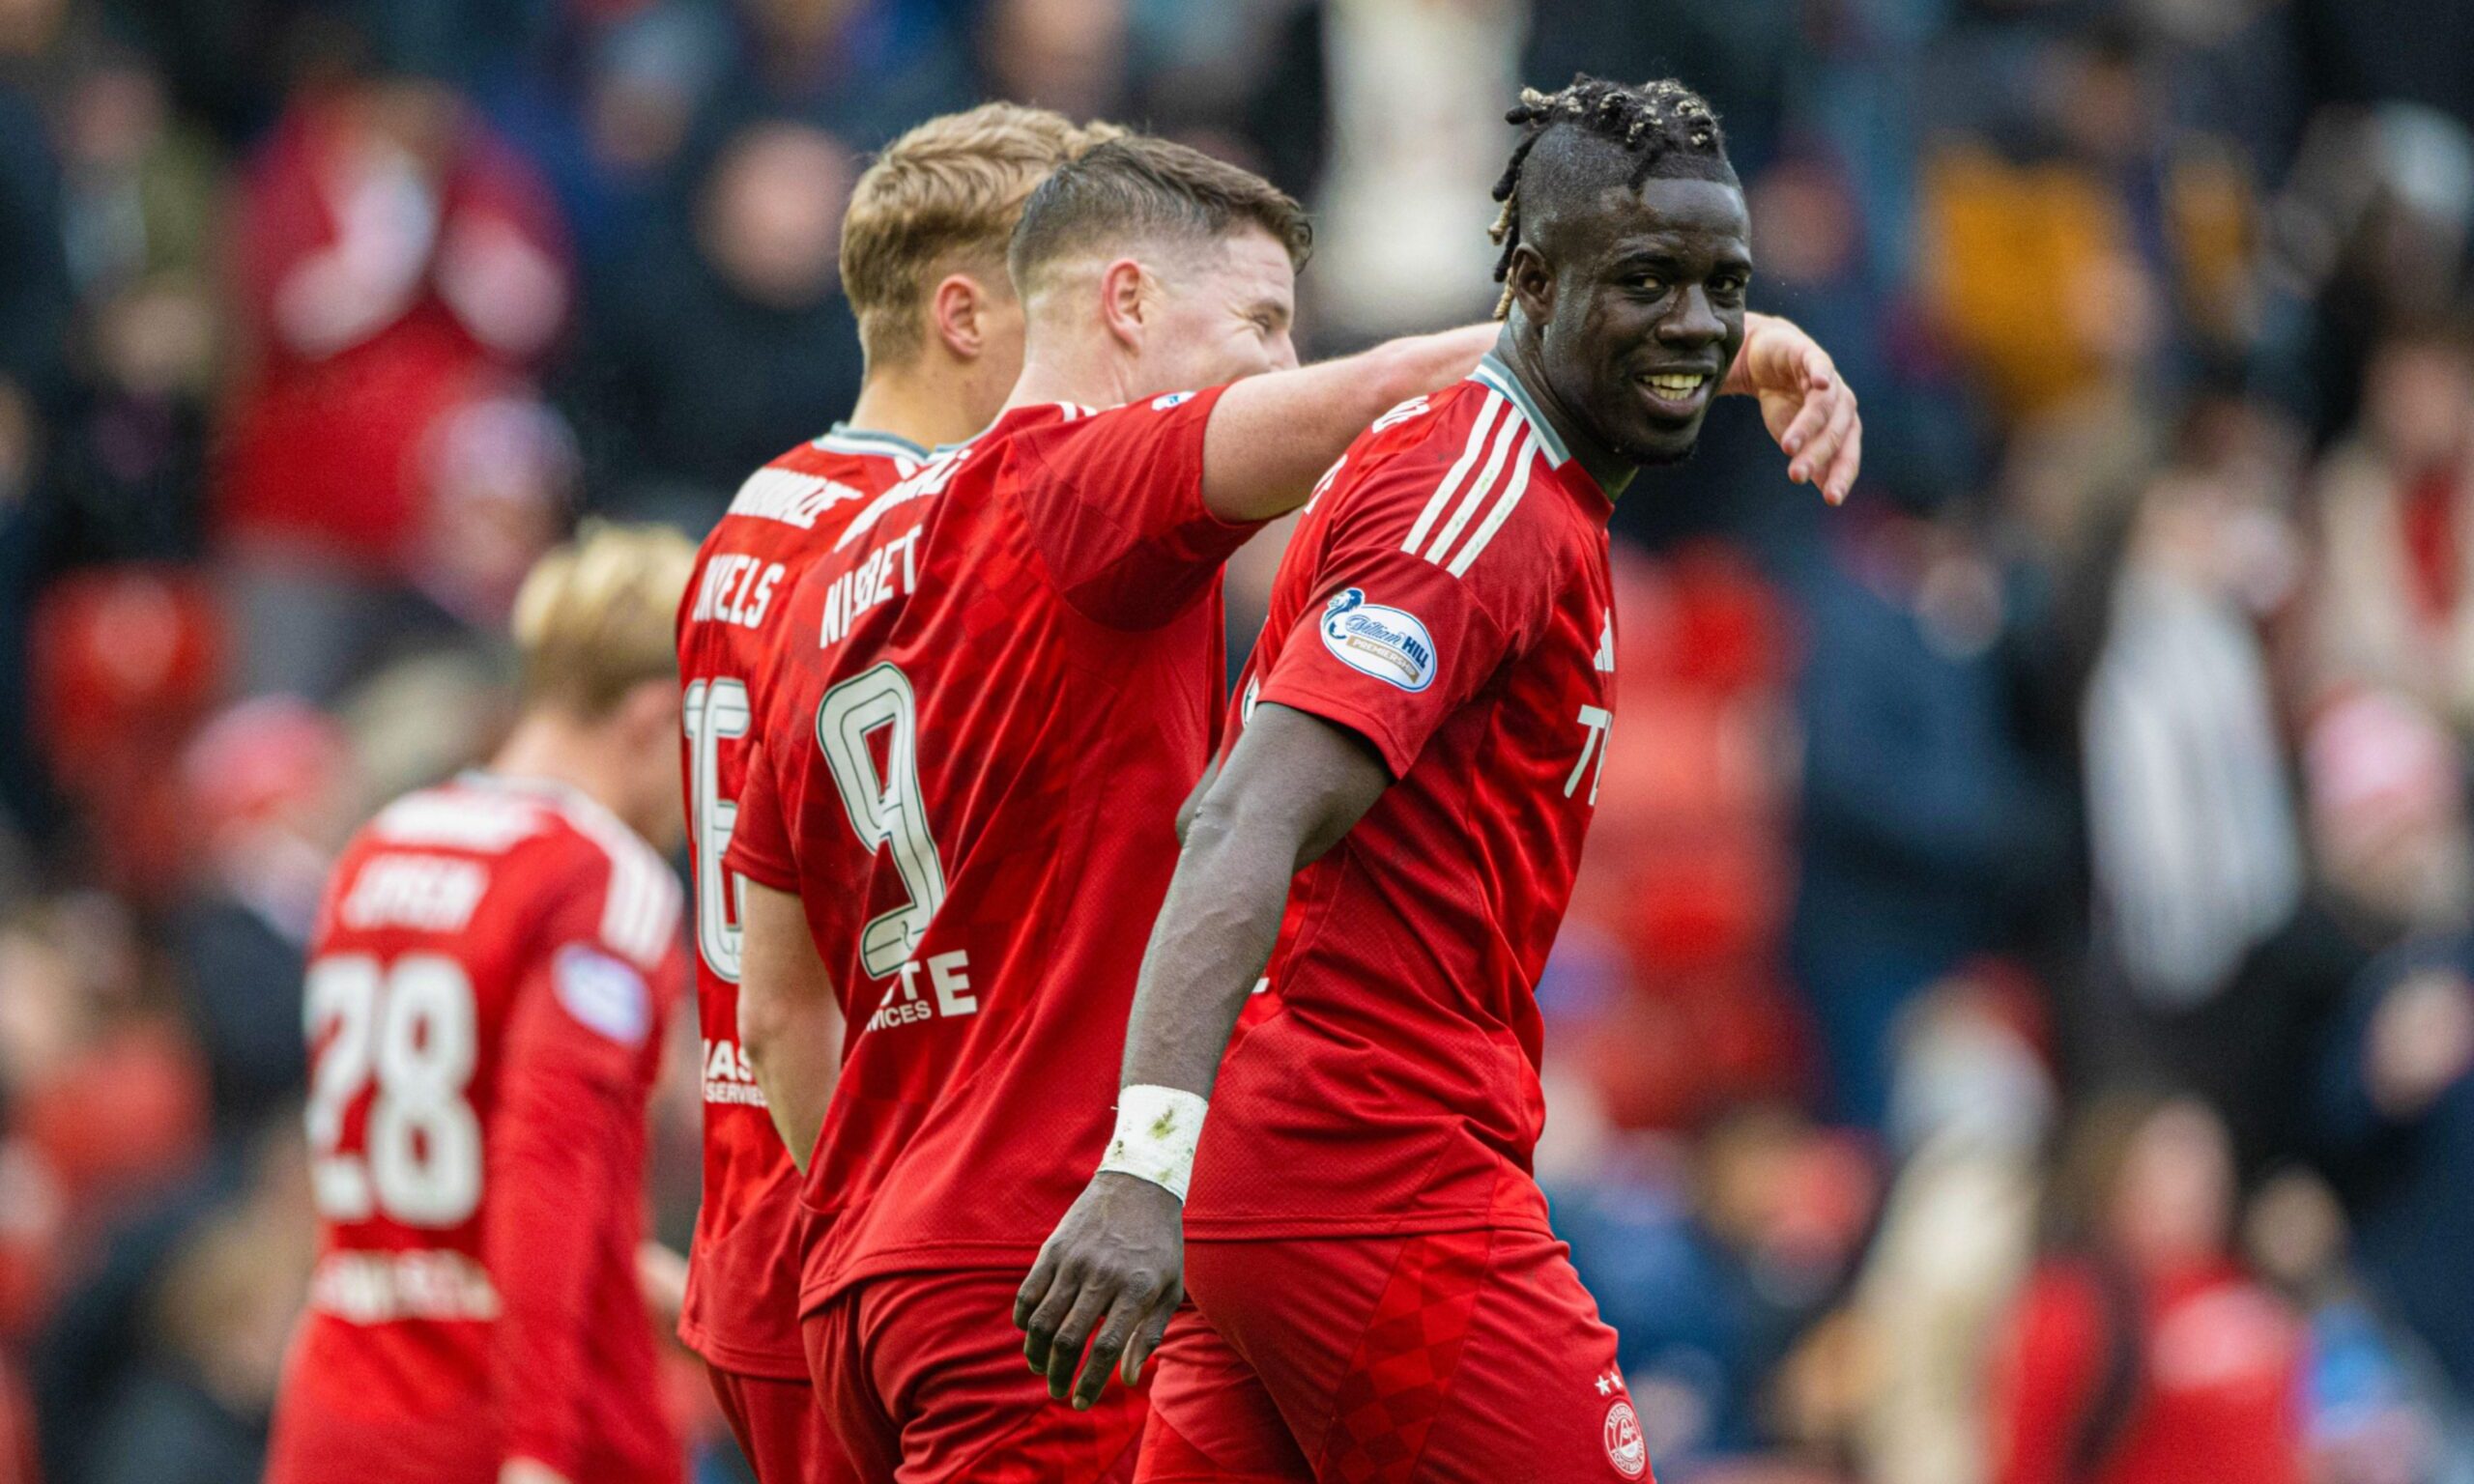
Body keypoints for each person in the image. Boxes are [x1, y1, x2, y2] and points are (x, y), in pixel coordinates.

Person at [727, 121, 1859, 1484]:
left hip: (865, 1268)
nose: (1280, 366)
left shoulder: (824, 578)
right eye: (1261, 323)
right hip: (1046, 1260)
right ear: (1126, 302)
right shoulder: (1087, 488)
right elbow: (1369, 394)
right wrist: (1712, 350)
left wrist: (875, 1203)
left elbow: (779, 997)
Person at [676, 102, 1120, 1484]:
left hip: (763, 1210)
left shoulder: (757, 516)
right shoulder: (928, 550)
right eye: (1075, 303)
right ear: (969, 316)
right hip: (876, 1228)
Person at [264, 525, 696, 1484]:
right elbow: (546, 1164)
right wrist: (539, 1449)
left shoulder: (379, 847)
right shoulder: (597, 880)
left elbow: (412, 1187)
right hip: (511, 1419)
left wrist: (649, 1286)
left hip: (339, 1408)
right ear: (650, 716)